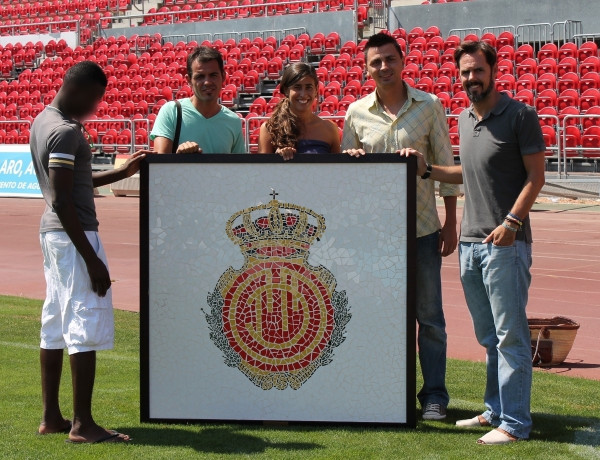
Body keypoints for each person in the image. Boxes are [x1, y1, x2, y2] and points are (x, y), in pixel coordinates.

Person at [401, 41, 545, 444]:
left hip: (505, 243)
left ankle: (515, 424)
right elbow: (467, 171)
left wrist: (512, 222)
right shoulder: (465, 118)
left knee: (510, 336)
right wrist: (427, 169)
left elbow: (536, 177)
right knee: (488, 337)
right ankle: (495, 410)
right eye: (464, 72)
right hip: (469, 244)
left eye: (478, 71)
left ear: (493, 70)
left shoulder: (520, 115)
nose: (471, 78)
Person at [341, 32, 460, 421]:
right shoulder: (356, 113)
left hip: (423, 230)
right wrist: (351, 160)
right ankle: (386, 391)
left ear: (402, 60)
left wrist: (450, 222)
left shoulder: (430, 106)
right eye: (375, 62)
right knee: (378, 316)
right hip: (374, 236)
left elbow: (445, 167)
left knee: (430, 319)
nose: (383, 67)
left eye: (389, 59)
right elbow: (344, 178)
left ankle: (434, 396)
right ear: (366, 67)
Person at [30, 61, 148, 443]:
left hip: (54, 236)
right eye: (95, 99)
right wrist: (92, 258)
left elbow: (74, 181)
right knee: (83, 321)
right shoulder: (65, 132)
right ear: (78, 89)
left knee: (54, 322)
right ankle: (83, 424)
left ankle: (51, 416)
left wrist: (123, 171)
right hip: (73, 235)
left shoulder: (42, 122)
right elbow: (65, 200)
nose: (95, 108)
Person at [151, 46, 245, 154]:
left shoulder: (233, 121)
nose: (207, 82)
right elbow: (159, 165)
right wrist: (179, 159)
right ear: (189, 80)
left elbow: (237, 169)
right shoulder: (172, 112)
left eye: (213, 75)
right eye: (200, 76)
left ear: (223, 77)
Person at [258, 62, 340, 158]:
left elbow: (337, 170)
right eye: (297, 87)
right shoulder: (269, 129)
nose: (303, 94)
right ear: (286, 90)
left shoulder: (330, 129)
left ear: (316, 90)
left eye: (308, 87)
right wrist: (277, 159)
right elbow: (262, 171)